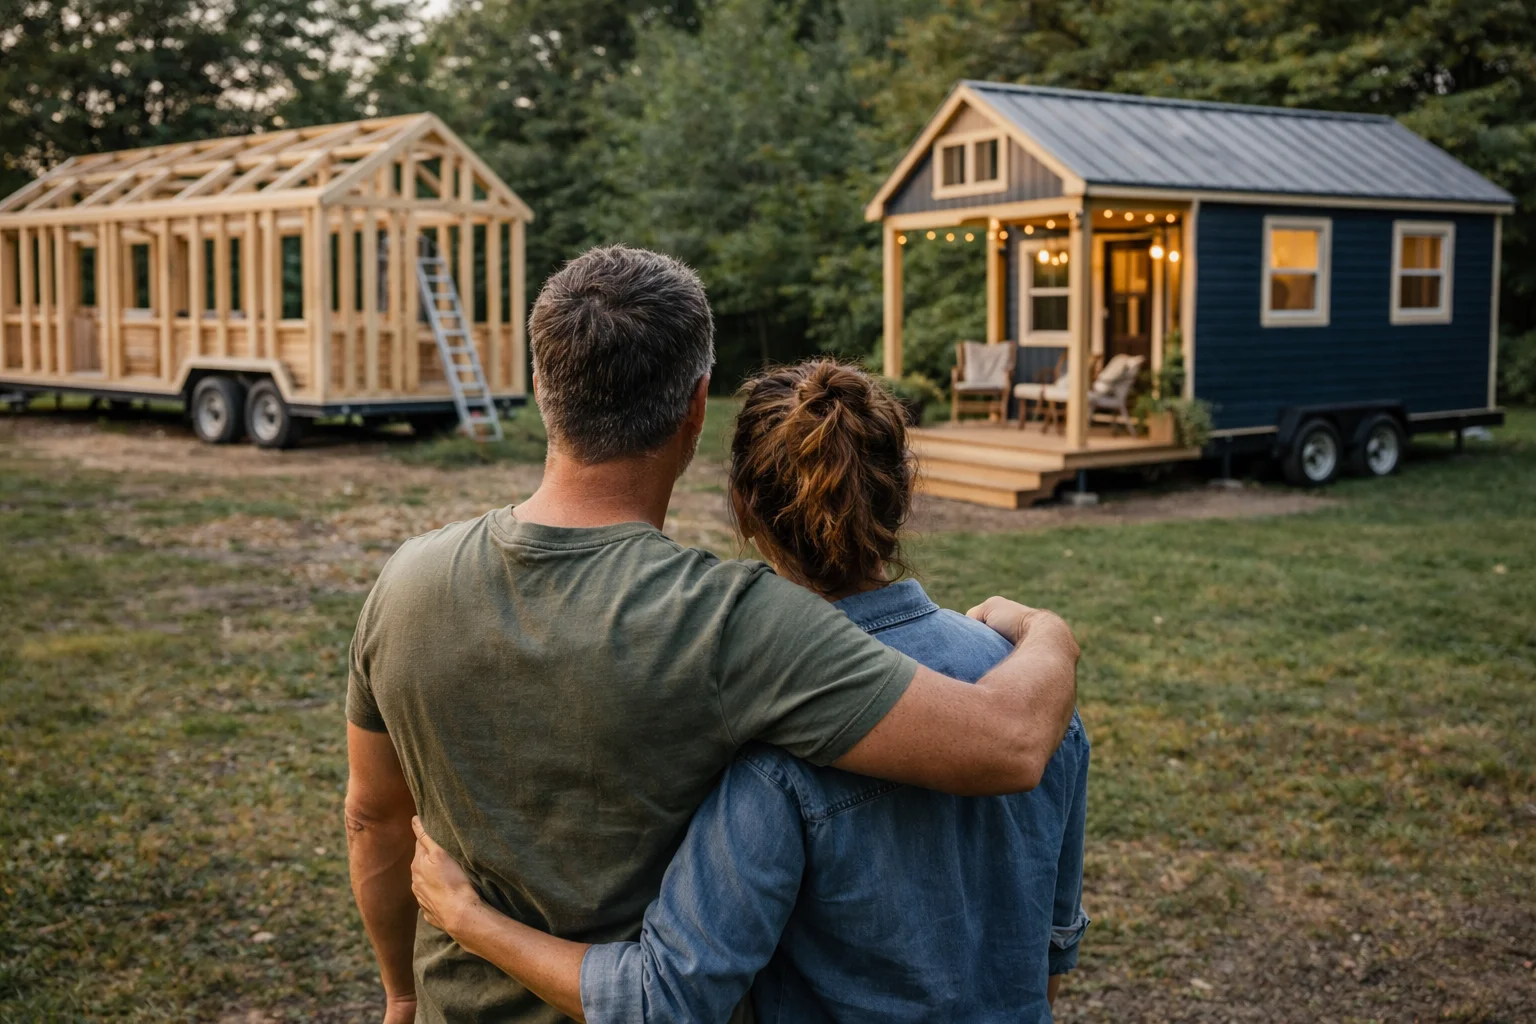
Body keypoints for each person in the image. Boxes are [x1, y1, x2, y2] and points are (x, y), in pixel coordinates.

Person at [345, 246, 1081, 1024]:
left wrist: (401, 990)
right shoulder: (732, 623)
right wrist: (1051, 633)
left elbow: (371, 817)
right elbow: (1008, 745)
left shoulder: (405, 581)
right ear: (698, 405)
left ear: (541, 387)